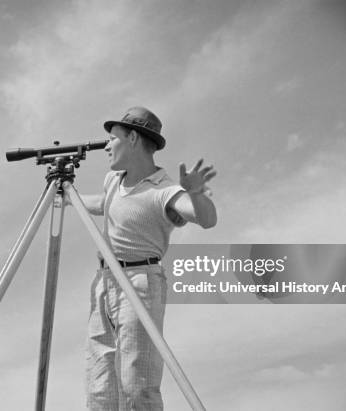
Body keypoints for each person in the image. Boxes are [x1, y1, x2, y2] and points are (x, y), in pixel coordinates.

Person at [79, 106, 217, 410]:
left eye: (111, 139)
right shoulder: (113, 180)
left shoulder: (165, 190)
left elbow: (205, 219)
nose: (106, 146)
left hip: (139, 283)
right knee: (100, 386)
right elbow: (106, 203)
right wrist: (69, 196)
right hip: (104, 282)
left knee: (136, 385)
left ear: (131, 138)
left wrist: (195, 193)